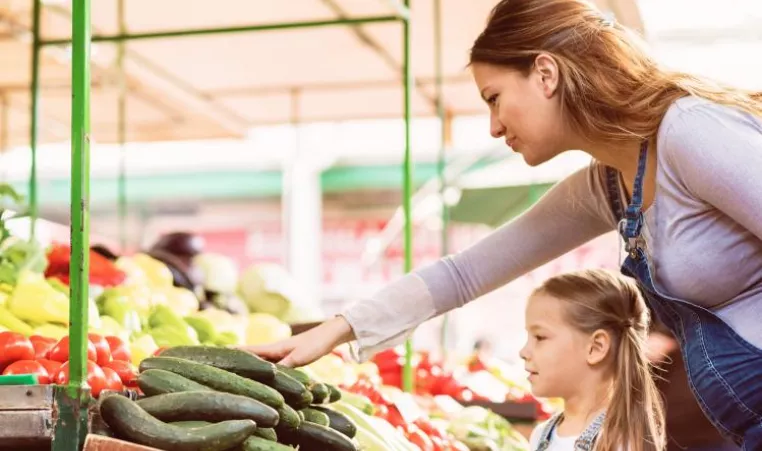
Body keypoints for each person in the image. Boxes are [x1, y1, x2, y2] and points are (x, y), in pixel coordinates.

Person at [246, 0, 762, 447]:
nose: (494, 126)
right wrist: (335, 331)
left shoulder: (688, 133)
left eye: (494, 98)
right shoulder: (610, 186)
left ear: (545, 73)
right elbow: (466, 273)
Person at [521, 269, 664, 451]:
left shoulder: (621, 443)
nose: (523, 352)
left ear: (596, 348)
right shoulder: (540, 434)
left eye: (540, 337)